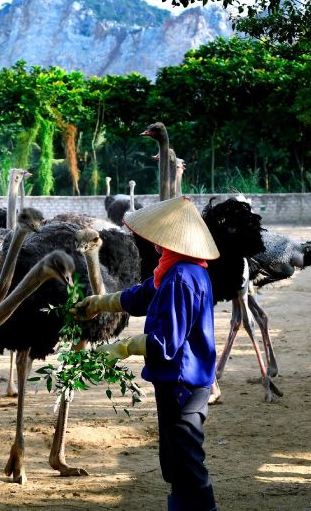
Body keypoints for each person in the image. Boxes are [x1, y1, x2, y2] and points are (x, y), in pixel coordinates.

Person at [73, 196, 220, 511]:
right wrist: (101, 302)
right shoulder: (178, 269)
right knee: (174, 461)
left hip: (183, 383)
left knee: (187, 464)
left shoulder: (183, 278)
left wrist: (121, 348)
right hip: (177, 382)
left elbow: (164, 343)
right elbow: (144, 296)